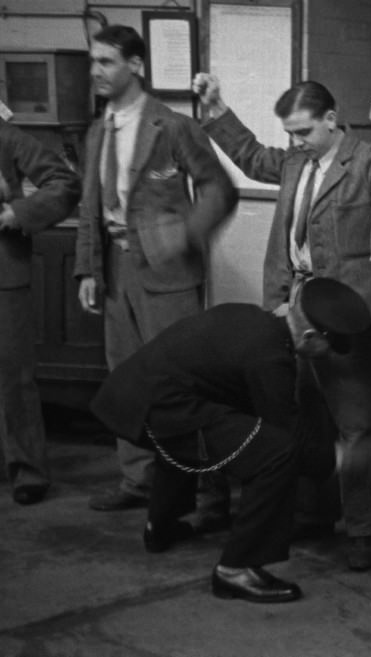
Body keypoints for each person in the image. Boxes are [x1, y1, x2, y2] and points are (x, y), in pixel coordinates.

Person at [194, 74, 371, 571]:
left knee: (357, 426)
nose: (296, 143)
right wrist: (216, 110)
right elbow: (255, 157)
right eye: (291, 134)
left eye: (304, 132)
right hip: (292, 306)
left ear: (330, 118)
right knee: (301, 416)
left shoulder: (368, 161)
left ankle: (365, 528)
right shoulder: (297, 161)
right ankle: (313, 512)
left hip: (346, 312)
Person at [89, 277, 370, 603]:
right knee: (277, 453)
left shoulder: (254, 320)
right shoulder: (272, 358)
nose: (328, 356)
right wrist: (334, 459)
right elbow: (286, 432)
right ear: (309, 337)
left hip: (134, 397)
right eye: (330, 346)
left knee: (204, 428)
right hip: (153, 409)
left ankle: (161, 527)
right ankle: (237, 568)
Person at [76, 25, 237, 520]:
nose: (96, 71)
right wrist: (87, 268)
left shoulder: (172, 126)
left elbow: (219, 190)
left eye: (106, 62)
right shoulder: (98, 130)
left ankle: (210, 491)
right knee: (126, 379)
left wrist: (184, 233)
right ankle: (139, 479)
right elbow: (89, 205)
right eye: (94, 62)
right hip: (117, 272)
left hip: (168, 275)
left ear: (136, 66)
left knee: (183, 384)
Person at [0, 119, 82, 505]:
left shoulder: (7, 136)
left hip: (3, 271)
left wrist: (18, 213)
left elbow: (64, 182)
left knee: (13, 375)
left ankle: (27, 470)